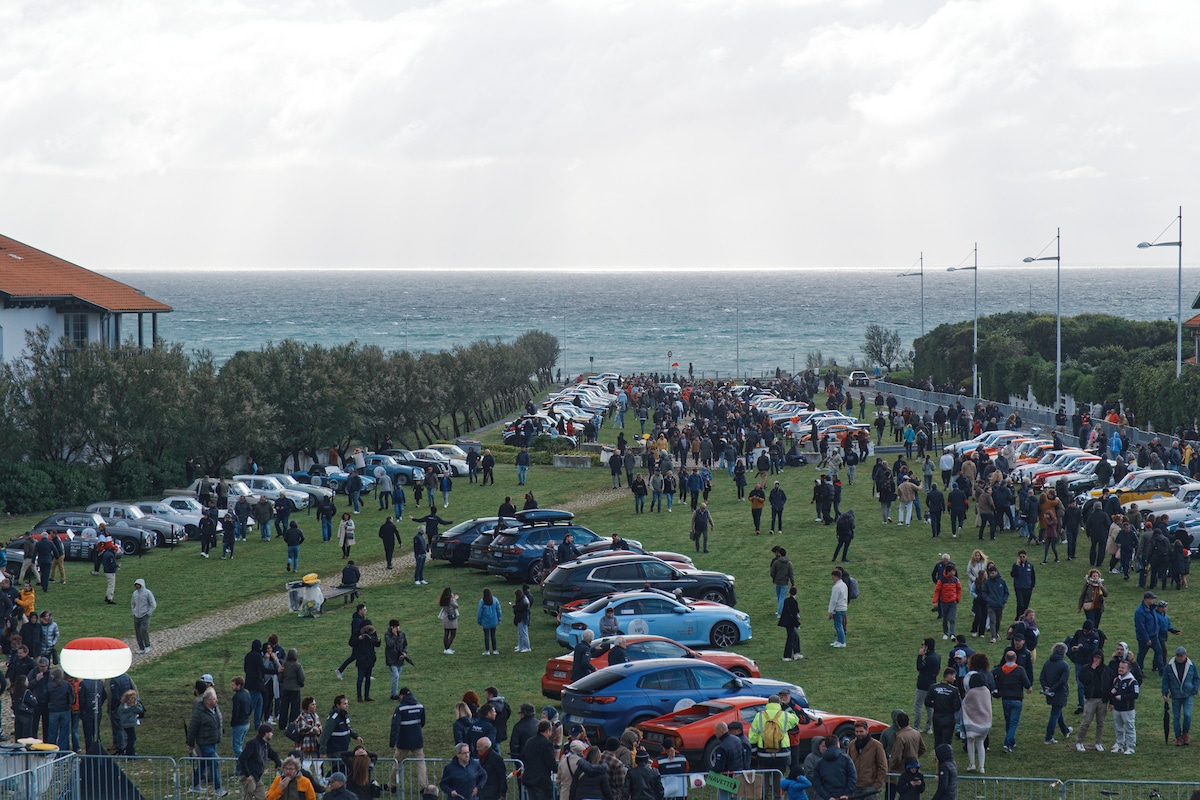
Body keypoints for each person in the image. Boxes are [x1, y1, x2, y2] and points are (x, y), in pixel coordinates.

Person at [187, 687, 227, 796]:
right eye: (214, 699)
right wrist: (190, 744)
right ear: (208, 701)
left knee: (203, 764)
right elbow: (192, 729)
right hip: (204, 742)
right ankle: (218, 788)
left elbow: (219, 722)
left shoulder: (215, 709)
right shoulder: (199, 713)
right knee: (214, 763)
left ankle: (195, 785)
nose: (216, 700)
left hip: (214, 741)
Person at [1162, 645, 1200, 745]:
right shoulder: (1169, 666)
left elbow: (1196, 678)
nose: (1179, 658)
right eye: (1178, 656)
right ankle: (1178, 736)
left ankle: (1185, 733)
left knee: (1187, 715)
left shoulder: (1191, 665)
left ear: (1185, 655)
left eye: (1181, 656)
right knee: (1176, 717)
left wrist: (1195, 689)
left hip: (1188, 694)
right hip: (1175, 695)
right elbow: (1165, 680)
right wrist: (1165, 693)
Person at [1074, 651, 1110, 752]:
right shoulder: (1086, 668)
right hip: (1091, 699)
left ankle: (1098, 742)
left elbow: (1109, 683)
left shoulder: (1106, 669)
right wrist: (1091, 669)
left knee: (1101, 723)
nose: (1096, 660)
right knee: (1086, 721)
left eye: (1098, 658)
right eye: (1095, 657)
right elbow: (1084, 680)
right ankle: (1079, 742)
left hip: (1102, 700)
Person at [237, 722, 282, 799]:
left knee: (262, 796)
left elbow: (273, 754)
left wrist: (277, 762)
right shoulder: (253, 743)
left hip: (257, 777)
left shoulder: (265, 744)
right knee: (248, 796)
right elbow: (242, 758)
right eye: (270, 732)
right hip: (249, 776)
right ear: (265, 733)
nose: (272, 734)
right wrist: (247, 774)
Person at [810, 734, 856, 800]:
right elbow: (852, 777)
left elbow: (817, 782)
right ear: (837, 744)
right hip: (844, 796)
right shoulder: (846, 759)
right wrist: (847, 793)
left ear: (826, 746)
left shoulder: (819, 763)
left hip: (828, 795)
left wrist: (827, 796)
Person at [521, 720, 558, 800]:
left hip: (529, 779)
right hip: (541, 781)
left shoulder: (529, 741)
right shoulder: (546, 744)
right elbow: (551, 763)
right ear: (548, 730)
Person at [847, 719, 887, 793]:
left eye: (861, 731)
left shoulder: (876, 745)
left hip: (869, 786)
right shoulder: (852, 745)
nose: (859, 734)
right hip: (854, 786)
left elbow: (883, 767)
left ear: (867, 730)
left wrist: (876, 785)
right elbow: (847, 764)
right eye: (857, 731)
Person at [1109, 658, 1140, 755]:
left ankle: (1130, 747)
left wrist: (1122, 697)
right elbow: (1114, 691)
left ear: (1128, 669)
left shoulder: (1132, 681)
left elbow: (1135, 695)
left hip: (1127, 709)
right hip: (1117, 708)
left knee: (1129, 728)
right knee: (1118, 728)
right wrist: (1112, 693)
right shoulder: (1117, 679)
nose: (1120, 669)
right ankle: (1119, 745)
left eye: (1123, 668)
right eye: (1119, 667)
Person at [914, 639, 941, 734]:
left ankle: (916, 728)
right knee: (930, 707)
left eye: (923, 645)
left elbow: (919, 667)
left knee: (918, 706)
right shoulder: (937, 656)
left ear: (927, 647)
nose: (921, 646)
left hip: (923, 684)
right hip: (932, 683)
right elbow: (938, 670)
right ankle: (928, 728)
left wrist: (920, 655)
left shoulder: (929, 658)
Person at [931, 566, 961, 640]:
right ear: (948, 572)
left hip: (953, 602)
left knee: (952, 618)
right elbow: (937, 591)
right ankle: (945, 633)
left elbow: (959, 589)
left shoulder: (956, 580)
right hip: (944, 602)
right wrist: (935, 601)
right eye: (953, 571)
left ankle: (952, 634)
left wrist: (958, 598)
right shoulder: (941, 581)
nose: (954, 572)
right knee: (945, 618)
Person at [130, 578, 156, 654]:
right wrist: (133, 611)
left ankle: (147, 645)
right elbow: (133, 603)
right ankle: (141, 647)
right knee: (138, 632)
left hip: (145, 615)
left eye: (138, 585)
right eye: (136, 585)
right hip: (136, 615)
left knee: (143, 630)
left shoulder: (147, 593)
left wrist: (149, 613)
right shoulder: (134, 593)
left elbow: (153, 604)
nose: (137, 586)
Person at [385, 620, 408, 701]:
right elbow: (389, 644)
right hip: (392, 659)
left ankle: (393, 693)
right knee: (396, 676)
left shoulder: (402, 634)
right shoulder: (388, 635)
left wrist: (405, 652)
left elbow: (405, 644)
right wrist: (394, 636)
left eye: (398, 626)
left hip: (400, 658)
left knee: (397, 677)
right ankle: (394, 695)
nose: (397, 628)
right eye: (395, 627)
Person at [477, 588, 503, 656]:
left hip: (485, 621)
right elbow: (498, 610)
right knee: (493, 635)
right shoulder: (495, 600)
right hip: (494, 620)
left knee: (486, 636)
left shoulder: (482, 601)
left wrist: (479, 620)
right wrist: (499, 618)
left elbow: (480, 612)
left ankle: (487, 650)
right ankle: (494, 650)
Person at [780, 586, 802, 662]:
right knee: (791, 639)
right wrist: (797, 624)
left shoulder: (786, 600)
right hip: (791, 623)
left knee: (795, 637)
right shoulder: (794, 602)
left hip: (786, 622)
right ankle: (787, 656)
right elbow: (794, 614)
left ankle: (796, 653)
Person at [827, 569, 847, 648]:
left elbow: (834, 600)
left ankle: (841, 641)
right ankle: (839, 640)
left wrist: (831, 611)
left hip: (838, 608)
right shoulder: (843, 585)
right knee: (838, 625)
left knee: (838, 625)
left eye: (833, 576)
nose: (832, 578)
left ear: (836, 576)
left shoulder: (836, 587)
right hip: (843, 607)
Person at [440, 588, 461, 654]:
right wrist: (455, 598)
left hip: (445, 618)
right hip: (452, 618)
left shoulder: (443, 600)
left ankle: (446, 648)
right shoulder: (451, 600)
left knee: (446, 634)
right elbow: (456, 606)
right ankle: (447, 648)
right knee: (453, 634)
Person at [513, 588, 532, 653]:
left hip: (523, 618)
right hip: (522, 618)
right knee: (520, 633)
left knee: (523, 633)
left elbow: (520, 609)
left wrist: (515, 607)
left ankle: (527, 647)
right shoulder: (524, 599)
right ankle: (520, 646)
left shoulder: (524, 601)